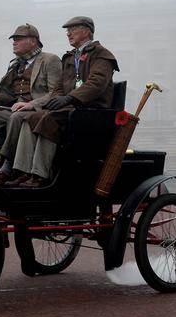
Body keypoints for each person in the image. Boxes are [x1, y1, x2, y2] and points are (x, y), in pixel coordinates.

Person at [7, 16, 119, 188]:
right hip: (70, 109)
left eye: (72, 30)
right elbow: (59, 86)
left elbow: (96, 84)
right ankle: (23, 171)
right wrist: (56, 100)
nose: (68, 34)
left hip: (92, 111)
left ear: (86, 31)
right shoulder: (69, 57)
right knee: (30, 119)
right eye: (68, 31)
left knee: (48, 120)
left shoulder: (101, 54)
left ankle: (39, 174)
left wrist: (69, 98)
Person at [0, 24, 61, 185]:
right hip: (15, 108)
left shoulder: (50, 60)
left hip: (38, 111)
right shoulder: (15, 64)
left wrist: (32, 104)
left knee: (16, 118)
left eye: (18, 39)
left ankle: (6, 168)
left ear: (33, 41)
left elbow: (56, 92)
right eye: (14, 40)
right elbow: (12, 94)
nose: (14, 43)